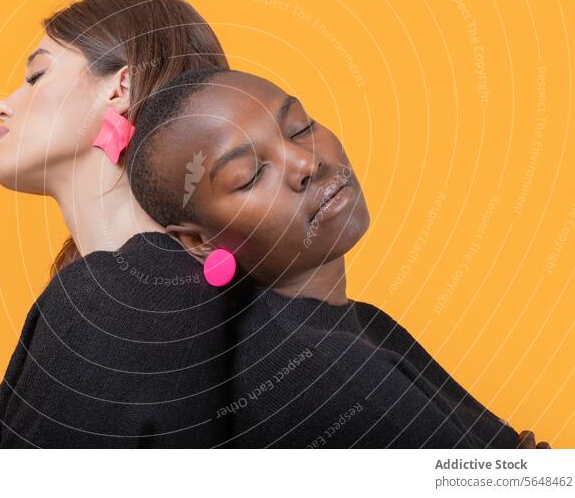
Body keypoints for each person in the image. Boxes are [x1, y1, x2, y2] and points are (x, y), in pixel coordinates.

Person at [125, 67, 551, 448]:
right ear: (199, 241)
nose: (307, 162)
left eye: (299, 126)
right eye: (251, 174)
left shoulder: (353, 324)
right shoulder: (317, 376)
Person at [0, 0, 237, 448]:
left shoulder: (116, 299)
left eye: (37, 75)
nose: (2, 104)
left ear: (119, 89)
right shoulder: (161, 287)